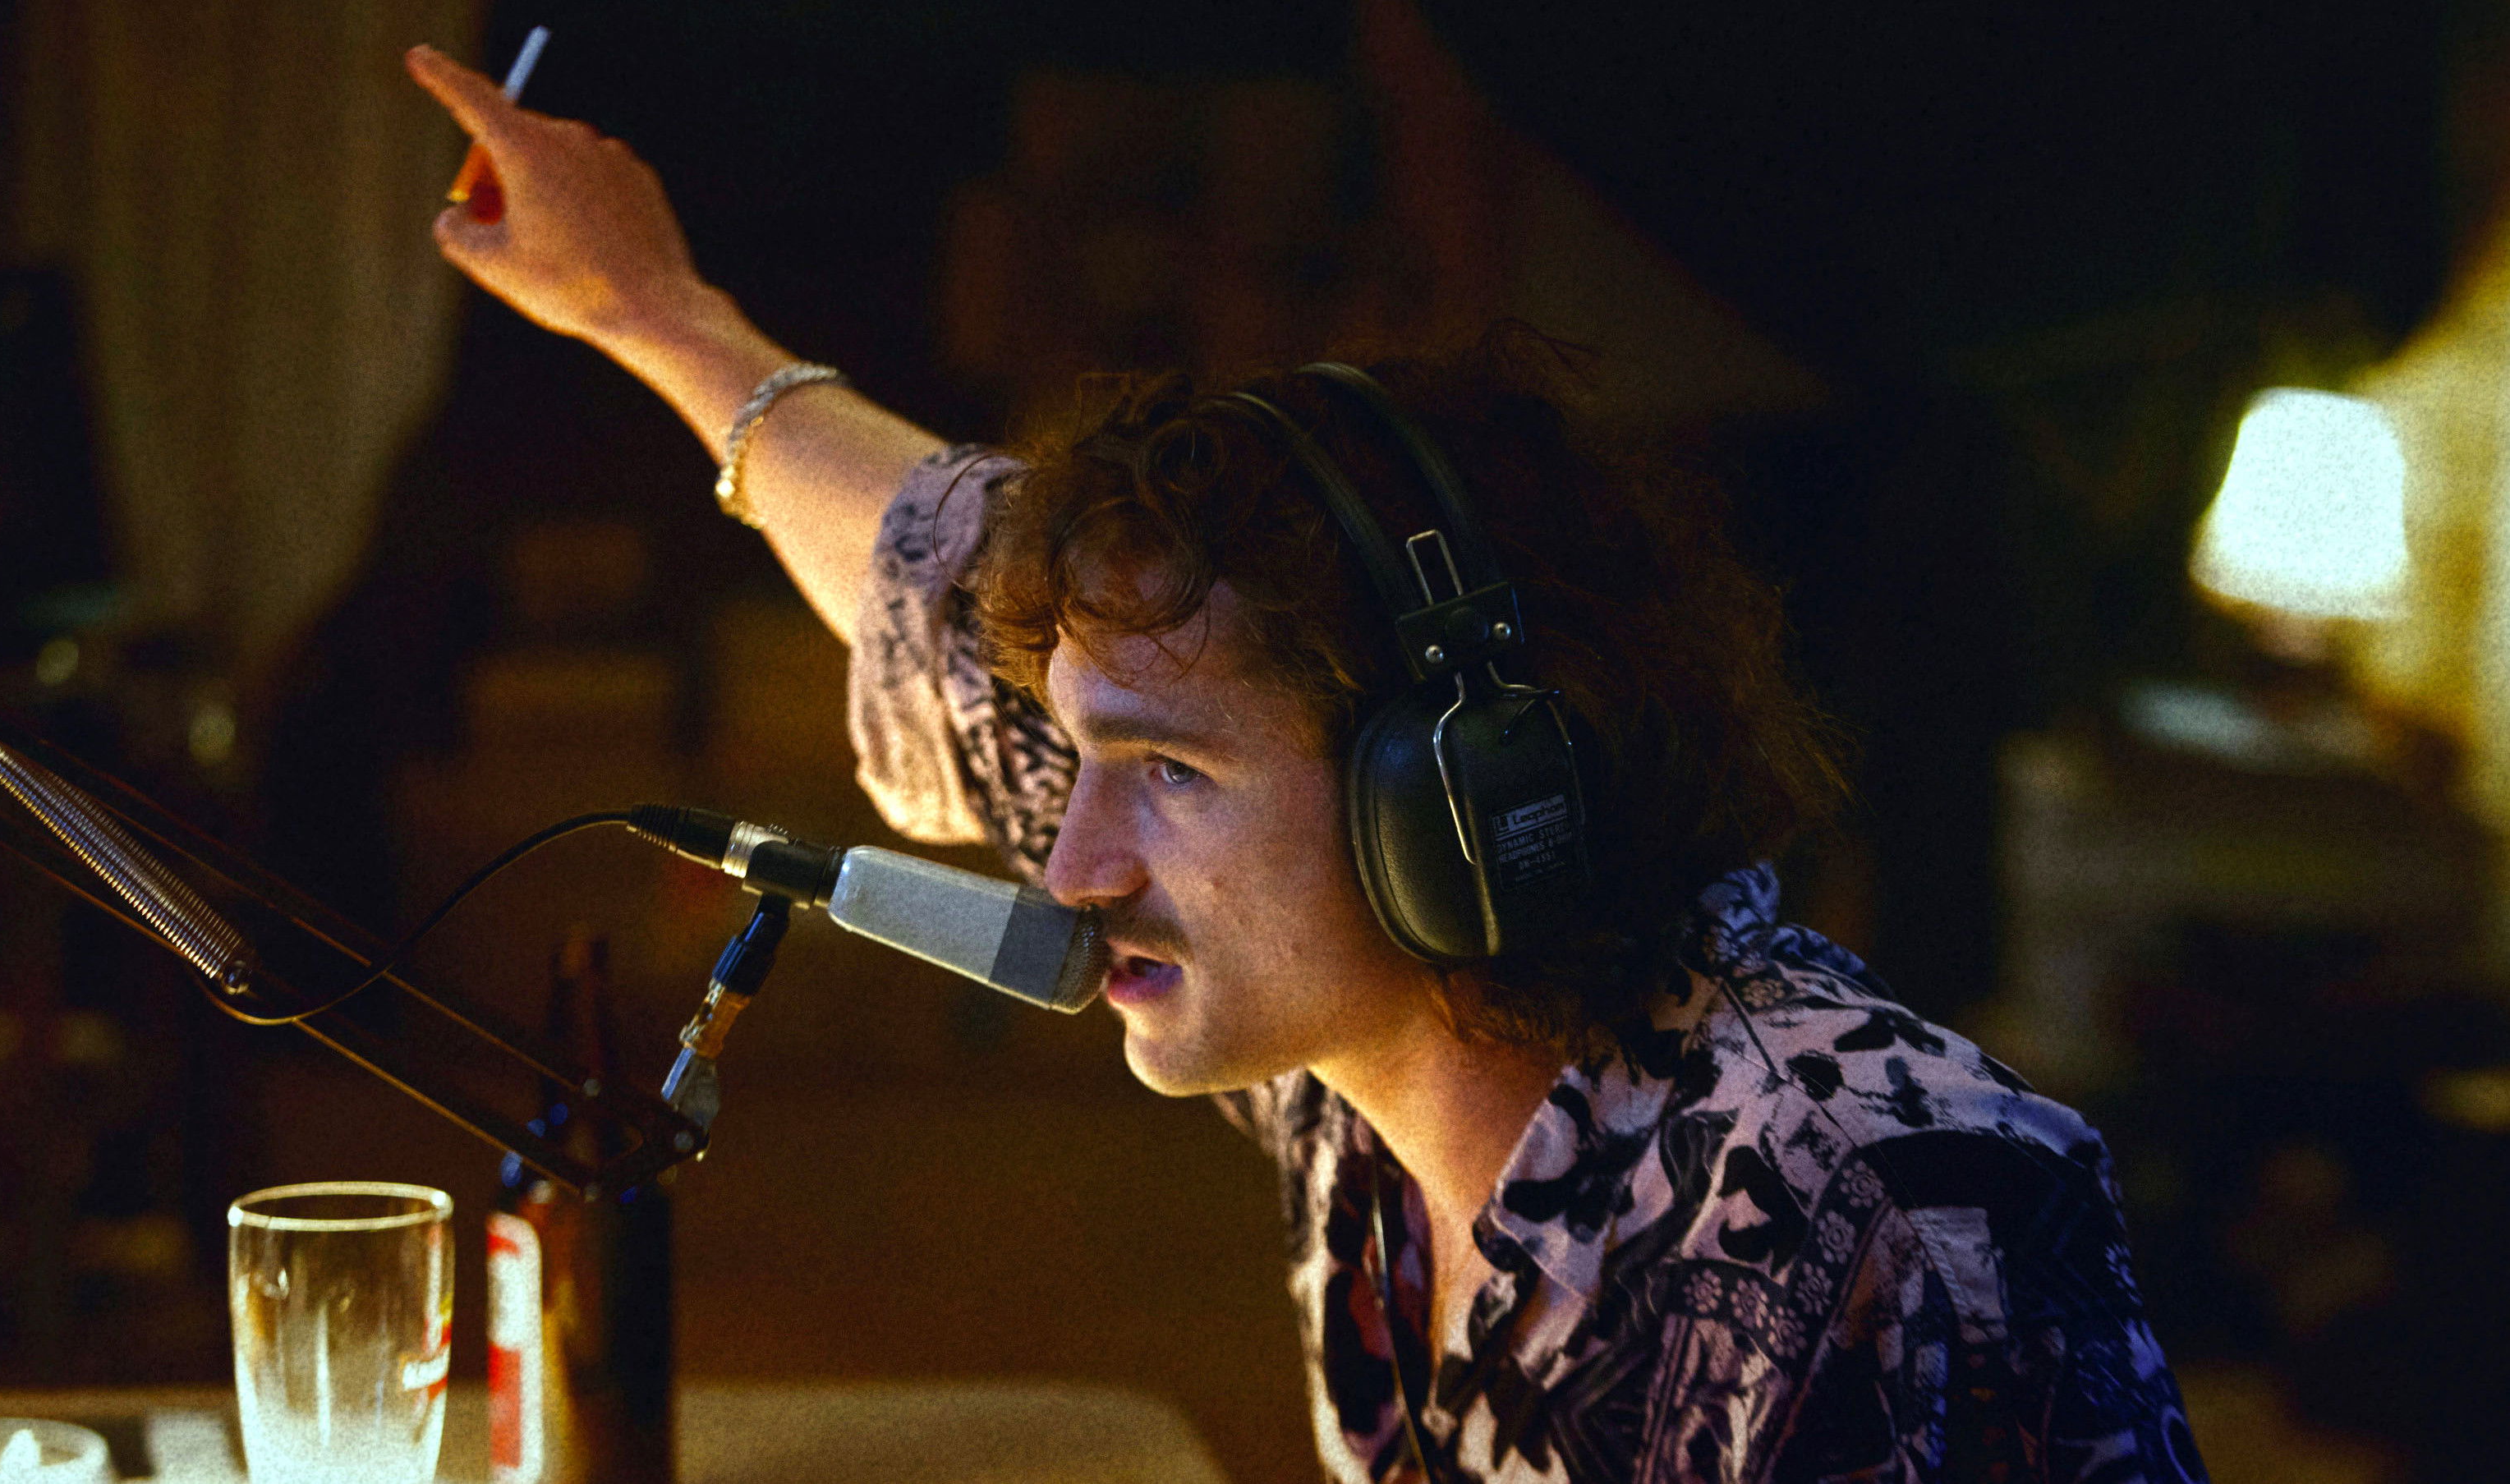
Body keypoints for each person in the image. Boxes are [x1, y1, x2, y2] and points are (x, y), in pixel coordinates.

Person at [404, 44, 2208, 1484]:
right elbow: (922, 554)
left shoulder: (1879, 1207)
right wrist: (655, 311)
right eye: (1083, 753)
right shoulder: (1361, 1066)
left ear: (1449, 798)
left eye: (1171, 775)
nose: (1071, 865)